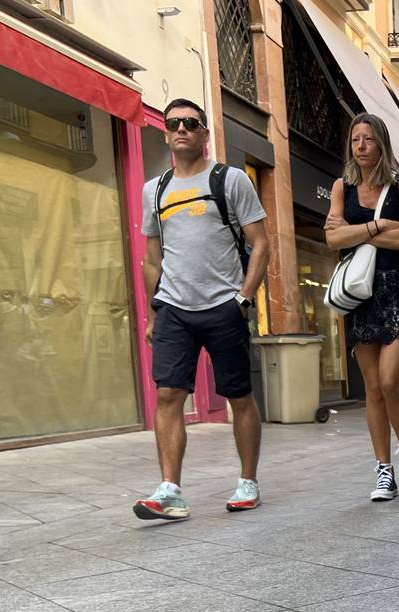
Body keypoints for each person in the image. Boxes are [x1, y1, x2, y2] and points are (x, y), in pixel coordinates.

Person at [133, 99, 270, 520]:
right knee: (170, 393)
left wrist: (244, 298)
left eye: (191, 123)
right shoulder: (153, 190)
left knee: (239, 396)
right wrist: (154, 313)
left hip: (223, 305)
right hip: (173, 306)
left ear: (205, 133)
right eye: (174, 123)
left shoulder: (230, 181)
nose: (181, 129)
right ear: (166, 133)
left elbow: (260, 243)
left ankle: (248, 481)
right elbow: (151, 257)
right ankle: (170, 490)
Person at [324, 113, 399, 502]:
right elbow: (333, 240)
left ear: (381, 143)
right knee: (371, 387)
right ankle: (384, 470)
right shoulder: (341, 187)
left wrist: (356, 232)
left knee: (389, 380)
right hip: (360, 295)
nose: (361, 146)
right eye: (355, 140)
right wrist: (376, 226)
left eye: (368, 139)